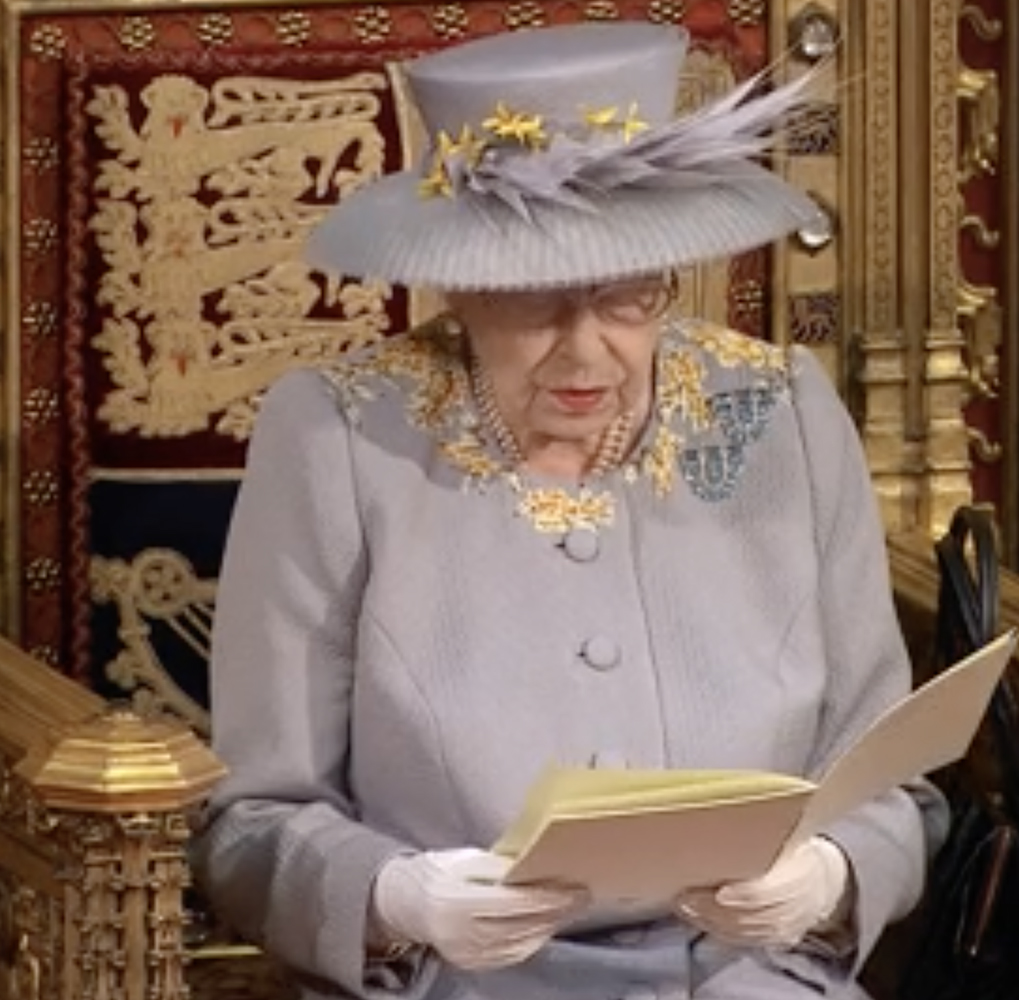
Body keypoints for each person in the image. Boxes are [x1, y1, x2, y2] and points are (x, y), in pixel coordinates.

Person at [195, 20, 947, 1000]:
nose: (587, 353)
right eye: (537, 303)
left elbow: (895, 783)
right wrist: (395, 899)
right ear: (461, 285)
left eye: (628, 296)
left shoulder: (783, 415)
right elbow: (248, 820)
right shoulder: (339, 441)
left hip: (752, 981)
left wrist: (829, 877)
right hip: (461, 984)